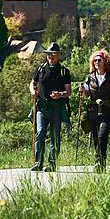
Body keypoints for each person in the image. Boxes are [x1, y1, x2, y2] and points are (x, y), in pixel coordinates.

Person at [29, 42, 72, 172]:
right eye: (48, 54)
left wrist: (60, 94)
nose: (50, 56)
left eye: (53, 54)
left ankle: (52, 164)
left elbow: (68, 91)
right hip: (42, 106)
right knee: (40, 132)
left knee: (55, 136)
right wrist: (33, 91)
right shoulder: (41, 68)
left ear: (59, 55)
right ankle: (38, 162)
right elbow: (32, 83)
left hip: (57, 107)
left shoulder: (64, 71)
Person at [80, 49, 110, 172]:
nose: (97, 62)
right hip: (93, 111)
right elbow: (86, 95)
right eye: (95, 60)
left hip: (108, 110)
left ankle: (99, 162)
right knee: (96, 138)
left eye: (99, 60)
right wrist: (82, 91)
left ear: (105, 62)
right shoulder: (90, 77)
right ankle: (101, 164)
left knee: (102, 135)